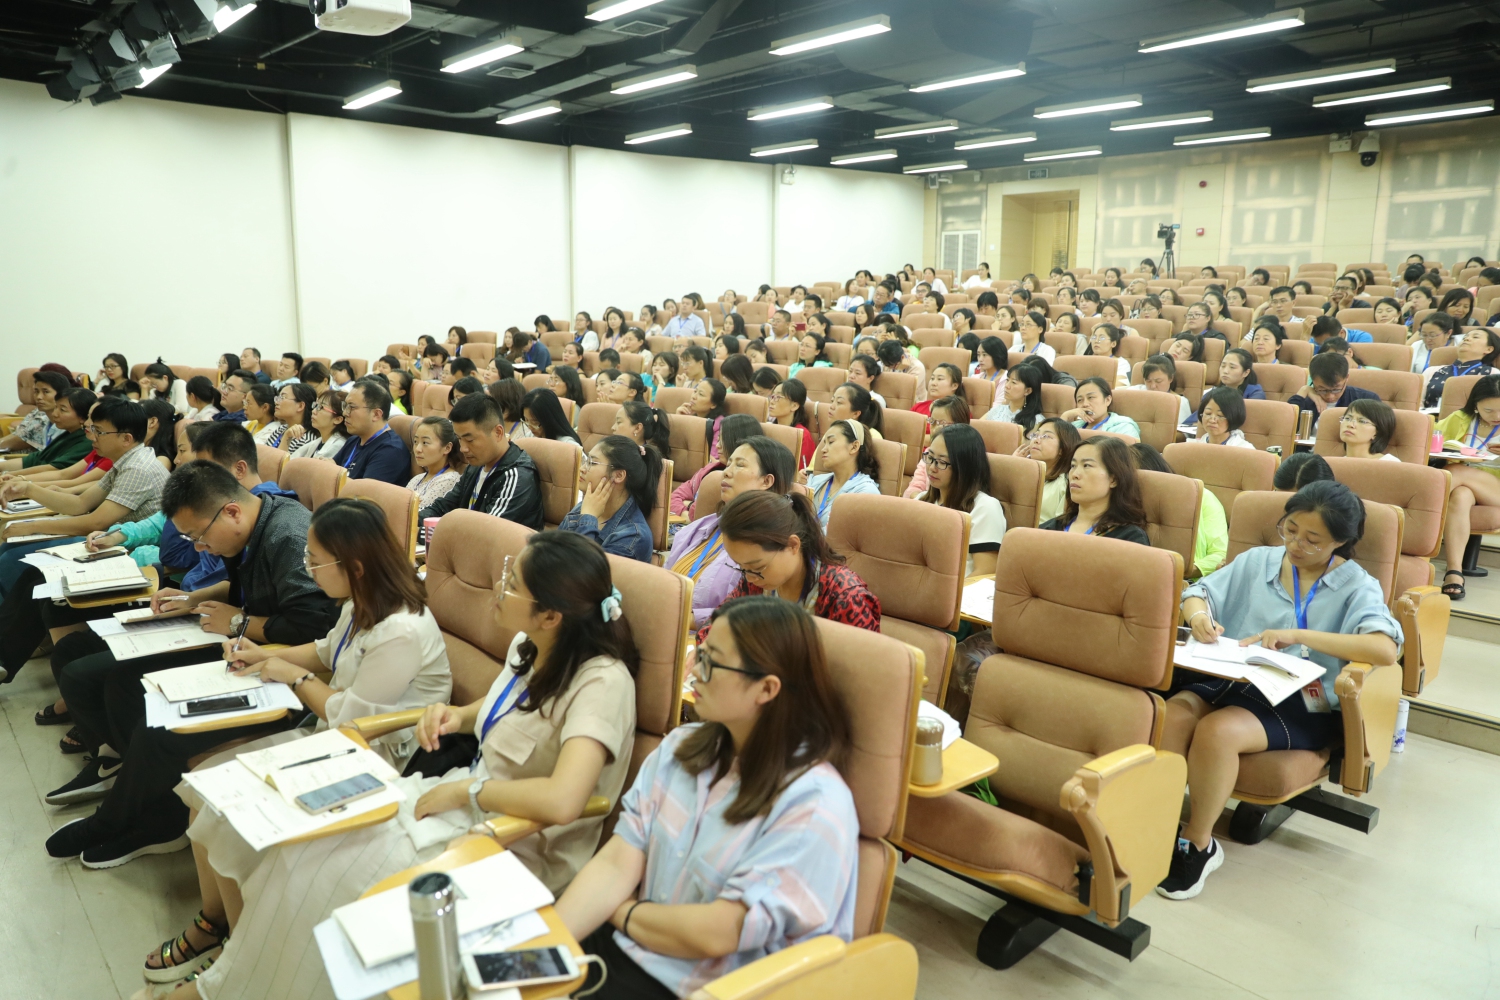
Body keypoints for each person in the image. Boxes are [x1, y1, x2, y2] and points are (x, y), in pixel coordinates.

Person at [156, 531, 638, 999]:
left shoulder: (602, 683)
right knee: (301, 855)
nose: (499, 588)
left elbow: (564, 800)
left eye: (512, 585)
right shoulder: (528, 646)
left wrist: (466, 792)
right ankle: (237, 978)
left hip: (516, 842)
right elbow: (504, 709)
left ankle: (240, 985)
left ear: (551, 615)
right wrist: (457, 716)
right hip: (460, 803)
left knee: (333, 883)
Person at [558, 594, 857, 999]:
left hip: (706, 987)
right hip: (626, 950)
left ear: (766, 688)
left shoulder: (814, 804)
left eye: (710, 662)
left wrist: (622, 911)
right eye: (699, 654)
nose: (694, 672)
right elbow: (617, 862)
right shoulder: (681, 748)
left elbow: (719, 932)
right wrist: (545, 947)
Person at [45, 459, 341, 866]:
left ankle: (127, 820)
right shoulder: (253, 523)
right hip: (245, 644)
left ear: (231, 511)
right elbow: (250, 589)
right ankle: (150, 803)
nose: (200, 548)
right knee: (121, 684)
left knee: (156, 724)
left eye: (199, 537)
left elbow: (313, 625)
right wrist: (196, 598)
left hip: (277, 663)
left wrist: (237, 622)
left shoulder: (287, 535)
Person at [1161, 481, 1402, 899]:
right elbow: (1197, 592)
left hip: (1306, 699)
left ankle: (1198, 843)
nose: (1295, 544)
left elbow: (1384, 648)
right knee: (1175, 716)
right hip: (1237, 678)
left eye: (1312, 540)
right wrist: (1198, 615)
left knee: (1219, 732)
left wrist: (1299, 635)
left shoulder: (1357, 585)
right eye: (1290, 530)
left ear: (1340, 541)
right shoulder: (1259, 561)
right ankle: (1156, 826)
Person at [0, 395, 168, 598]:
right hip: (107, 539)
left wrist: (33, 526)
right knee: (8, 549)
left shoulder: (137, 468)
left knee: (12, 559)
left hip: (129, 549)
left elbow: (94, 522)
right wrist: (27, 489)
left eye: (100, 432)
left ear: (126, 438)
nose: (92, 437)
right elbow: (80, 503)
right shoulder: (127, 460)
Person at [667, 437, 795, 628]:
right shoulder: (700, 527)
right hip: (667, 626)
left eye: (740, 465)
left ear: (766, 481)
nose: (726, 472)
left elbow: (753, 614)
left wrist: (686, 619)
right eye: (729, 464)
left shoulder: (771, 546)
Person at [715, 491, 880, 630]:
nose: (749, 577)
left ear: (792, 545)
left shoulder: (846, 597)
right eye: (741, 567)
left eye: (757, 567)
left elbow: (863, 658)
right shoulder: (756, 582)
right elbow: (718, 624)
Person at [418, 393, 544, 529]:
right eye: (459, 439)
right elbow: (442, 508)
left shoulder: (517, 476)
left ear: (498, 432)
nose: (463, 448)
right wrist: (411, 521)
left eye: (470, 440)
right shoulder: (476, 466)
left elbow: (486, 531)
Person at [1435, 375, 1500, 599]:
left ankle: (1423, 503)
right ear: (1475, 405)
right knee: (1461, 495)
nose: (1496, 416)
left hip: (1495, 488)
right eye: (1489, 410)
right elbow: (1429, 438)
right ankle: (1454, 572)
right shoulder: (1460, 418)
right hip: (1463, 485)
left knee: (1456, 472)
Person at [917, 424, 1005, 575]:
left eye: (942, 462)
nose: (932, 468)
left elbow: (985, 572)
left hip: (959, 588)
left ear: (964, 467)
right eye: (930, 458)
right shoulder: (921, 501)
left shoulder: (985, 508)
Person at [559, 435, 660, 562]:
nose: (582, 468)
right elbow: (554, 553)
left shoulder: (634, 536)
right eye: (586, 461)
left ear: (618, 475)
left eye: (592, 463)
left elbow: (581, 568)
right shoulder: (588, 505)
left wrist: (588, 517)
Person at [1039, 436, 1150, 544]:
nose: (1074, 474)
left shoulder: (1130, 538)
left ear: (1114, 479)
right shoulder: (1049, 529)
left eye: (1087, 465)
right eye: (1073, 466)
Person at [669, 414, 759, 519]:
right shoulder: (710, 468)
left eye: (723, 441)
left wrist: (688, 505)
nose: (717, 446)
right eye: (718, 440)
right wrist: (687, 514)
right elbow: (673, 497)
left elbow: (699, 516)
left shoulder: (736, 480)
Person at [802, 420, 881, 529]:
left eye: (831, 442)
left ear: (854, 447)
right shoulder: (813, 481)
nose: (823, 450)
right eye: (824, 443)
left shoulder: (865, 492)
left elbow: (841, 535)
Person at [0, 385, 92, 475]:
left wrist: (10, 476)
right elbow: (36, 458)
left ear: (83, 417)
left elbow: (54, 469)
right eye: (56, 407)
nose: (55, 414)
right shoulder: (69, 433)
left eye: (62, 410)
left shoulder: (87, 441)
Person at [1290, 353, 1380, 433]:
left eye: (1336, 389)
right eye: (1322, 390)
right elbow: (1287, 429)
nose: (1330, 396)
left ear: (1347, 378)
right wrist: (1303, 391)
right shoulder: (1305, 400)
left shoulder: (1368, 400)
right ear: (1313, 380)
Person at [1014, 417, 1081, 523]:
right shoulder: (1025, 475)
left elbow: (1060, 525)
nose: (1036, 440)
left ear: (1062, 448)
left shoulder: (1066, 483)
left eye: (1046, 436)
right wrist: (1013, 467)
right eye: (1035, 435)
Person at [1422, 327, 1500, 408]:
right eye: (1464, 337)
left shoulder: (1493, 374)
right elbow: (1418, 403)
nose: (1467, 339)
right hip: (1430, 415)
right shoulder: (1432, 371)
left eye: (1475, 337)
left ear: (1489, 349)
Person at [407, 415, 464, 508]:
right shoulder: (416, 479)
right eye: (416, 442)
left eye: (425, 442)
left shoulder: (450, 480)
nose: (417, 449)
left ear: (447, 448)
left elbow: (422, 512)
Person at [1062, 377, 1140, 437]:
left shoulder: (1123, 426)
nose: (1085, 404)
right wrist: (1065, 416)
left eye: (1091, 397)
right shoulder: (1074, 427)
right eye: (1080, 400)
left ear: (1107, 400)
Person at [674, 379, 730, 462]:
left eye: (701, 394)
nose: (693, 396)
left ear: (713, 404)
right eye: (695, 391)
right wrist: (678, 420)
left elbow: (713, 460)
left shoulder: (720, 425)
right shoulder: (689, 417)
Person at [768, 379, 817, 469]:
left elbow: (803, 471)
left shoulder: (802, 435)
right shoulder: (768, 428)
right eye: (772, 396)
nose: (771, 401)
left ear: (794, 406)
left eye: (778, 397)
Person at [981, 362, 1043, 429]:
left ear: (1027, 391)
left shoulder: (1036, 420)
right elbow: (977, 427)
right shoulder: (998, 409)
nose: (1007, 386)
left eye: (1013, 382)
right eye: (1007, 380)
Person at [1336, 398, 1400, 461]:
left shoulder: (1389, 463)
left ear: (1377, 432)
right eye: (1347, 418)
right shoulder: (1335, 463)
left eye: (1362, 421)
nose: (1350, 425)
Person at [291, 391, 349, 460]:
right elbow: (288, 462)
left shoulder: (339, 446)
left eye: (321, 407)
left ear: (338, 419)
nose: (313, 411)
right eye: (316, 405)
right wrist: (287, 437)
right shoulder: (316, 442)